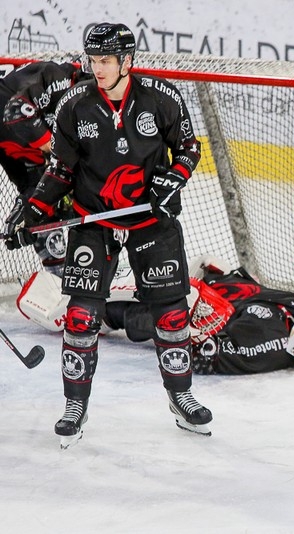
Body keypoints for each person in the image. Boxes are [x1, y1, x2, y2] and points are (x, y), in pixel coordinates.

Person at [4, 22, 207, 448]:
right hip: (93, 220)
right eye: (93, 59)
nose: (98, 68)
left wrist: (172, 180)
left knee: (170, 315)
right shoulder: (74, 106)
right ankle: (74, 406)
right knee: (80, 318)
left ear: (126, 61)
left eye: (106, 60)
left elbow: (189, 148)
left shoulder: (162, 98)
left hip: (151, 221)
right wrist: (32, 211)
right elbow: (59, 170)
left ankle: (181, 396)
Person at [17, 248, 294, 374]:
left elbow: (202, 359)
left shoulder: (261, 347)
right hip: (227, 282)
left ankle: (70, 310)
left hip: (198, 303)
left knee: (157, 300)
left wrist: (200, 326)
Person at [1, 60, 91, 273]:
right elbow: (17, 112)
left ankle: (56, 271)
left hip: (13, 138)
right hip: (12, 124)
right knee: (51, 187)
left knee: (41, 193)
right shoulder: (59, 77)